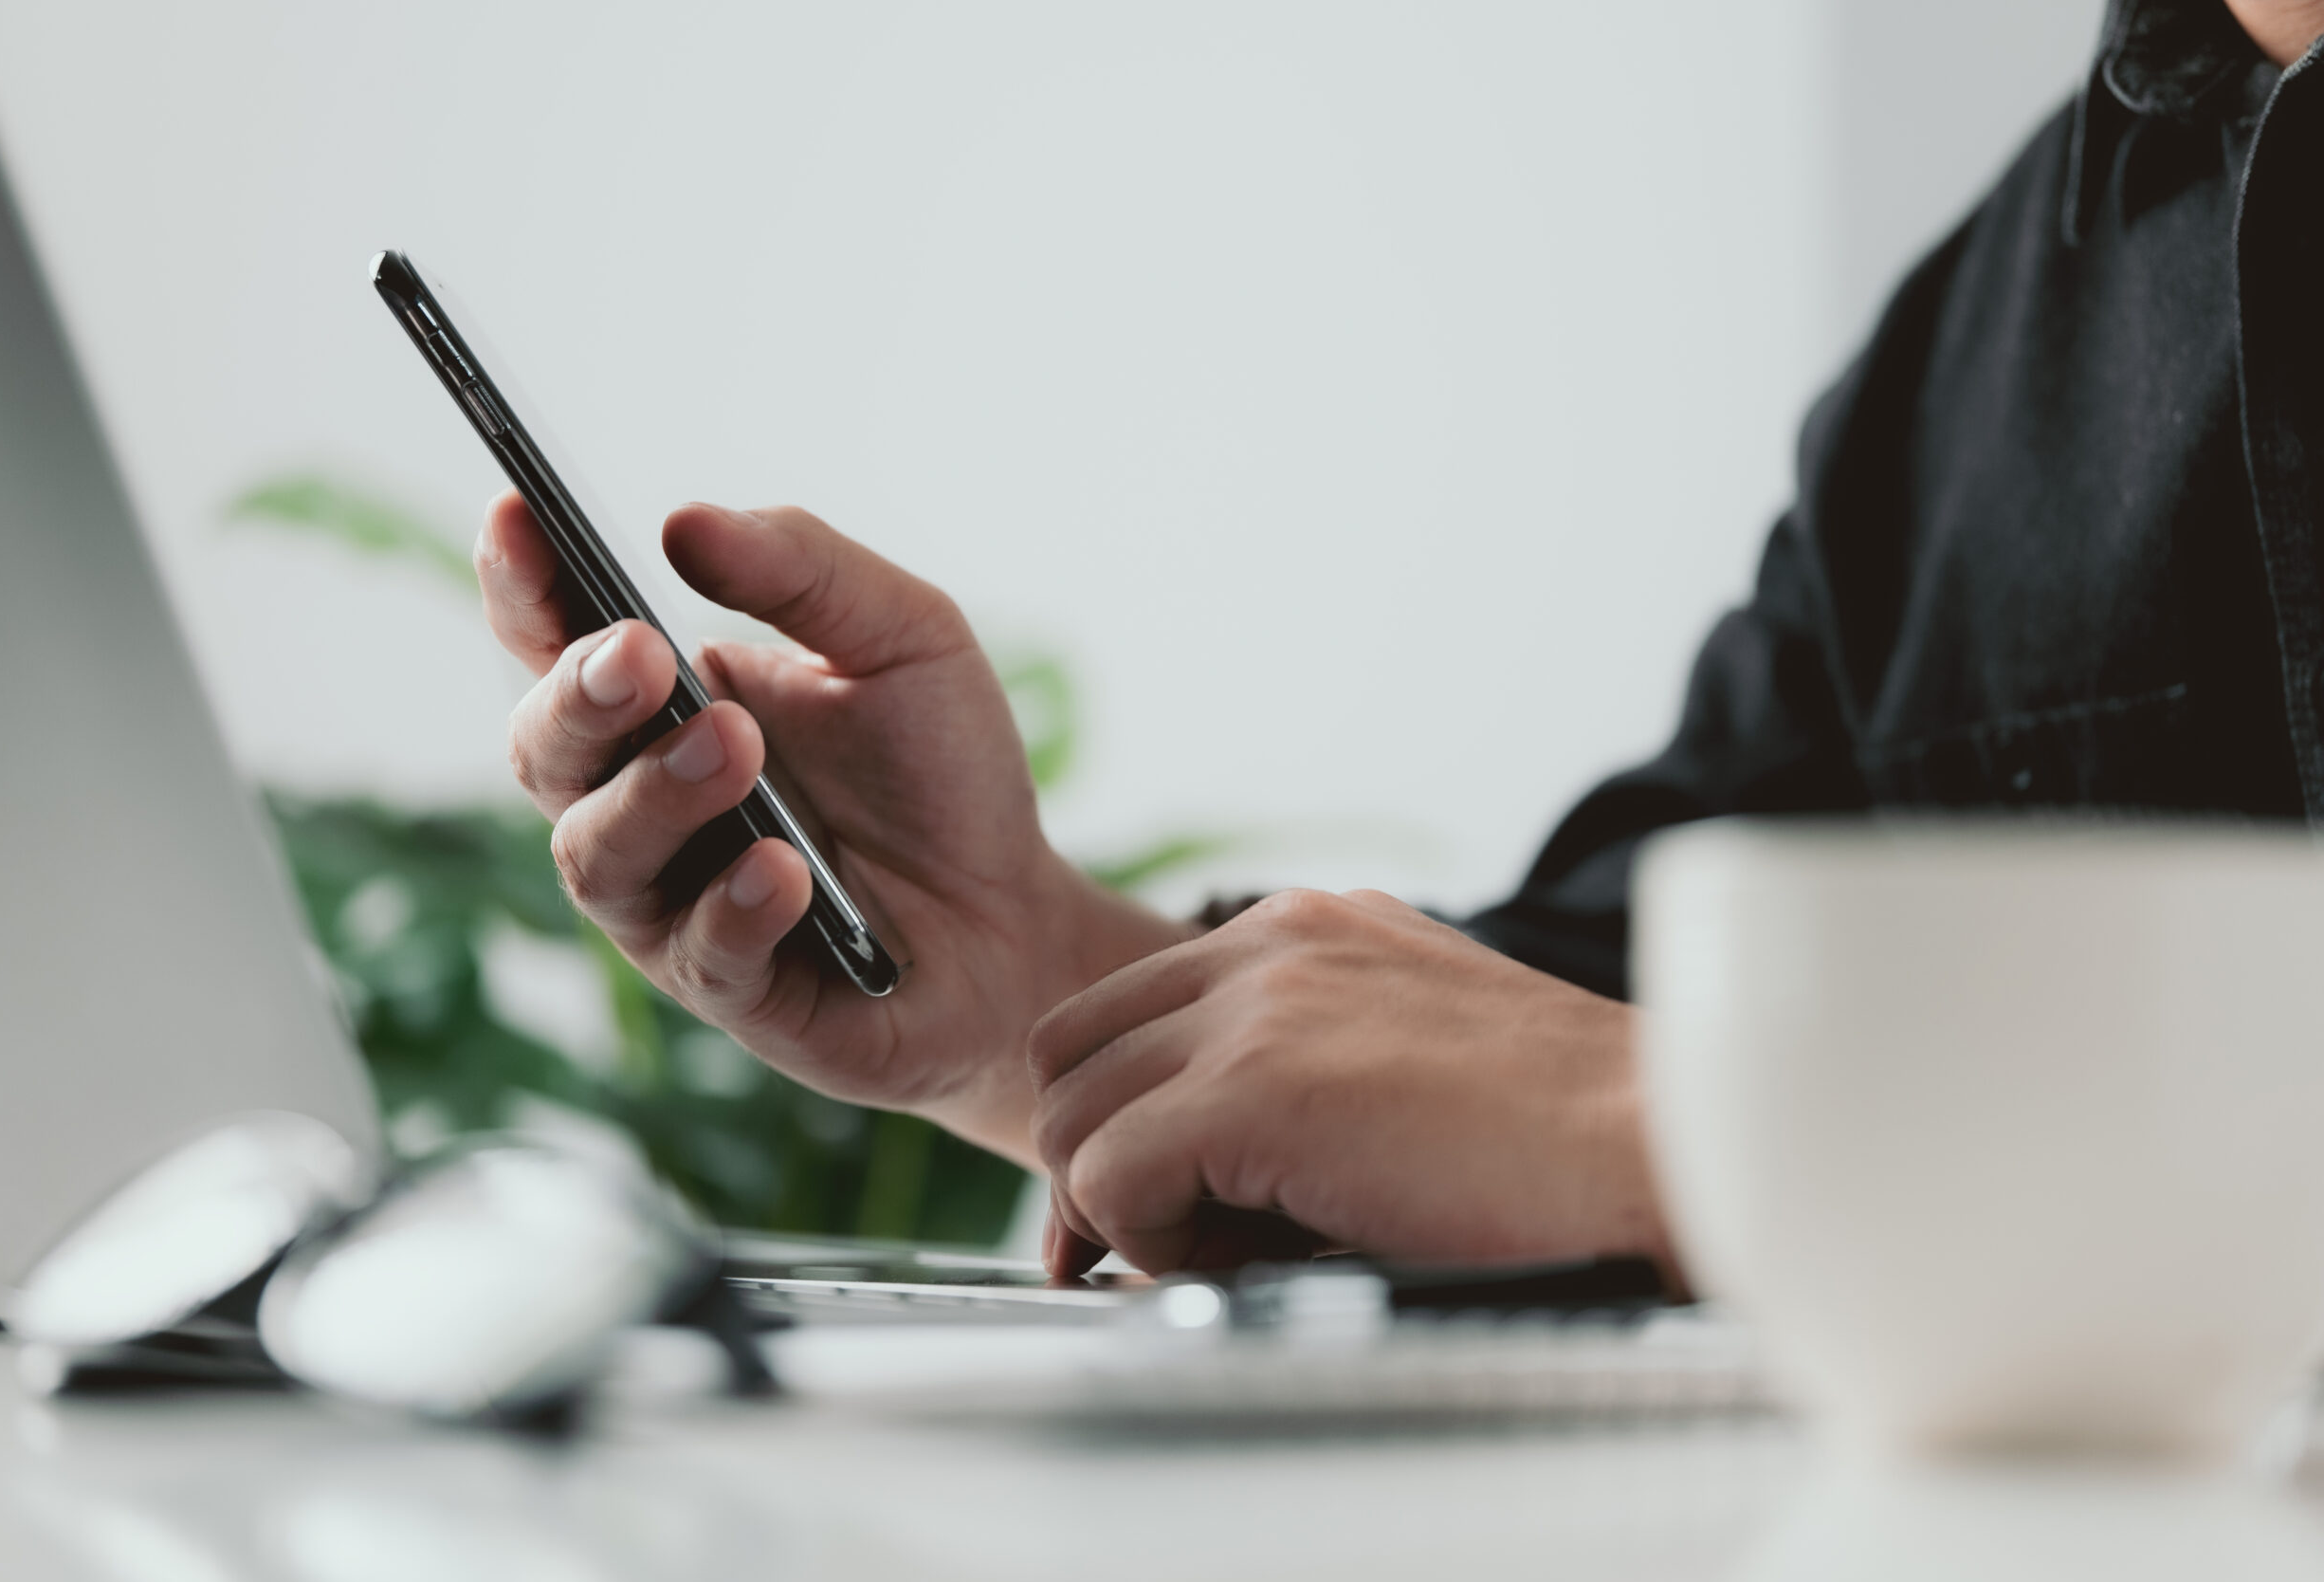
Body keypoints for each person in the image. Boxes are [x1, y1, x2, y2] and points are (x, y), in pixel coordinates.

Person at [474, 0, 2324, 1281]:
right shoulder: (1969, 351)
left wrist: (1690, 1123)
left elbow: (1633, 1084)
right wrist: (1022, 988)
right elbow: (1598, 1005)